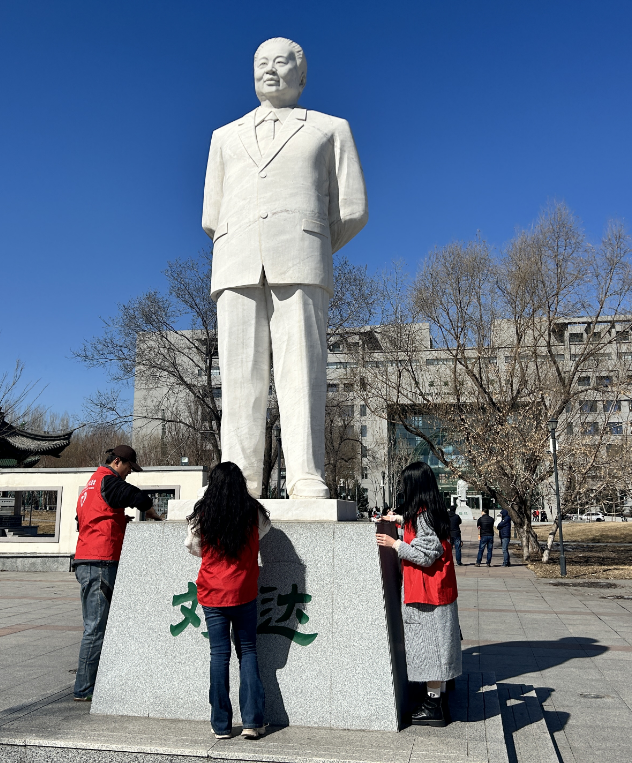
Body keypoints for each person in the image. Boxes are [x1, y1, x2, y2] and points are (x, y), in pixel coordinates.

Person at [202, 38, 368, 499]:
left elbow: (353, 209)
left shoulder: (330, 129)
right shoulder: (224, 136)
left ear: (302, 74)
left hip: (302, 258)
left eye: (281, 62)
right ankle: (239, 478)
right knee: (239, 378)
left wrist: (311, 244)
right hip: (235, 261)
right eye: (261, 63)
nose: (270, 70)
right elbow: (211, 215)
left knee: (302, 374)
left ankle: (305, 474)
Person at [185, 462, 272, 740]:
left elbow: (193, 547)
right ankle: (252, 721)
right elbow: (265, 531)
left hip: (212, 592)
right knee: (248, 652)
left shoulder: (203, 512)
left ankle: (221, 724)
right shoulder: (253, 511)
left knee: (219, 656)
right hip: (243, 590)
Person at [72, 445, 162, 702]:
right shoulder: (108, 480)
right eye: (129, 468)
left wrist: (119, 521)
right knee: (95, 628)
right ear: (118, 462)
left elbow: (84, 521)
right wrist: (152, 513)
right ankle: (84, 689)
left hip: (87, 558)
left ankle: (92, 682)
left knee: (96, 626)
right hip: (100, 561)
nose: (129, 473)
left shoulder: (90, 486)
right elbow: (136, 496)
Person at [375, 462, 462, 727]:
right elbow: (425, 533)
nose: (403, 488)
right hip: (437, 592)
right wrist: (399, 520)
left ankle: (433, 706)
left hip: (427, 596)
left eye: (405, 483)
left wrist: (395, 544)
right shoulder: (431, 511)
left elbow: (425, 555)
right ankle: (438, 701)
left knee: (431, 651)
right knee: (437, 649)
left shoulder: (424, 516)